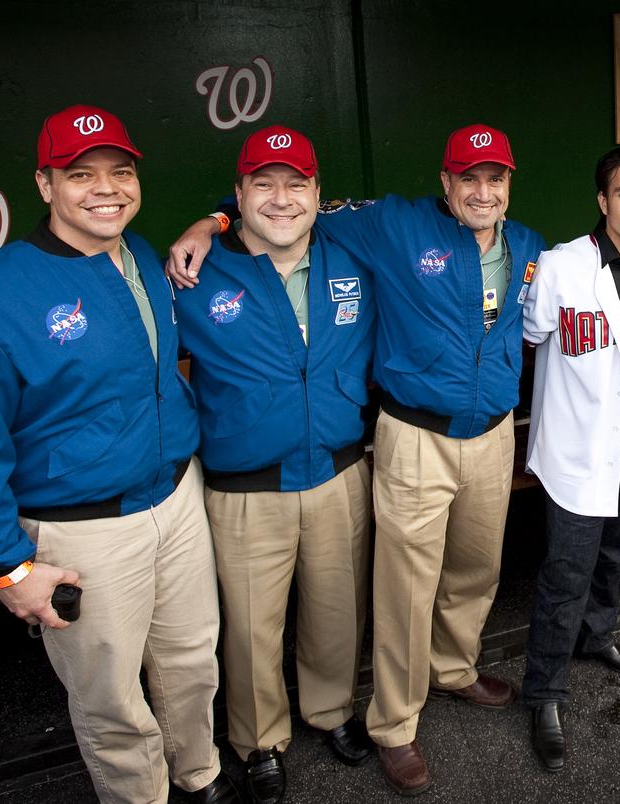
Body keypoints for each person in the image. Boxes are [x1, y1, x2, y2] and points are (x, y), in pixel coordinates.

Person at [166, 124, 546, 796]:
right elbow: (283, 215)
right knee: (387, 593)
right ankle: (387, 725)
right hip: (405, 436)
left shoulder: (528, 246)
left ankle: (444, 670)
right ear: (445, 181)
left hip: (482, 436)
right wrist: (210, 221)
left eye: (496, 178)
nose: (482, 191)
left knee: (464, 571)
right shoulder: (386, 226)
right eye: (468, 177)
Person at [0, 105, 238, 803]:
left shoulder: (144, 258)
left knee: (191, 661)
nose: (105, 188)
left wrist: (211, 223)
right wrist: (8, 569)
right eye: (79, 173)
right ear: (43, 184)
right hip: (84, 529)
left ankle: (200, 776)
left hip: (177, 500)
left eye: (119, 171)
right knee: (111, 698)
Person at [173, 124, 376, 804]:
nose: (281, 199)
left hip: (340, 470)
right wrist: (209, 224)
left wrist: (213, 215)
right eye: (263, 184)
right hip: (247, 484)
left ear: (319, 193)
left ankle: (331, 710)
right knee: (252, 623)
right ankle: (259, 739)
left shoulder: (351, 253)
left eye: (296, 184)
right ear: (239, 193)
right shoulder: (195, 272)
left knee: (336, 607)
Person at [519, 145, 620, 771]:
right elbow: (530, 339)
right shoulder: (560, 267)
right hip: (579, 453)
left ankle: (598, 638)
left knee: (615, 555)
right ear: (602, 201)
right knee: (565, 575)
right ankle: (545, 693)